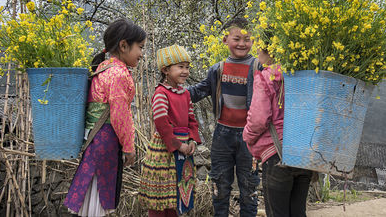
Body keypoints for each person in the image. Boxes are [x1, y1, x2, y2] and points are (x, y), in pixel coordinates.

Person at [64, 18, 146, 216]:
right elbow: (120, 114)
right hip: (106, 141)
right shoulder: (118, 74)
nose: (141, 54)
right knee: (99, 196)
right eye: (140, 48)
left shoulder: (102, 69)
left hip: (94, 139)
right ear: (124, 45)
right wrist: (129, 147)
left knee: (92, 193)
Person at [188, 18, 260, 217]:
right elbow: (197, 92)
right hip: (222, 134)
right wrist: (172, 93)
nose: (242, 44)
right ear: (225, 40)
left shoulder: (258, 68)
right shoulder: (217, 70)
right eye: (236, 38)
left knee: (249, 187)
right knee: (219, 186)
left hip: (250, 136)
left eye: (247, 39)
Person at [243, 47, 312, 217]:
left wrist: (247, 137)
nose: (257, 55)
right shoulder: (307, 75)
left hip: (276, 155)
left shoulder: (267, 77)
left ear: (270, 51)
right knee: (298, 213)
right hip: (304, 154)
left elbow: (259, 119)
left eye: (258, 49)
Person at [139, 44, 202, 217]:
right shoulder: (161, 93)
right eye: (180, 67)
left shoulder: (185, 94)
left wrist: (192, 141)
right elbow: (161, 123)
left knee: (177, 195)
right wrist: (177, 145)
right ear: (166, 70)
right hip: (164, 151)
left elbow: (191, 120)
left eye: (187, 67)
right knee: (161, 197)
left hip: (184, 149)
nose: (185, 71)